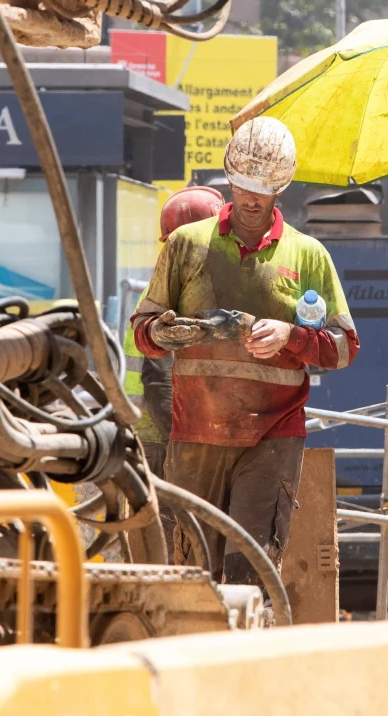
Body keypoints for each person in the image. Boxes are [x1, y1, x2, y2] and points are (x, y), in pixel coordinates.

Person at [131, 116, 359, 594]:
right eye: (243, 187)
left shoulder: (308, 255)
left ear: (282, 187)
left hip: (273, 437)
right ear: (229, 179)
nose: (253, 199)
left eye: (265, 190)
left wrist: (291, 336)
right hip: (196, 436)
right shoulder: (187, 245)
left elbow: (344, 348)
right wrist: (165, 333)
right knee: (194, 582)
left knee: (250, 579)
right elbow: (142, 332)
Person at [122, 186, 226, 564]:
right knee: (173, 557)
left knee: (172, 554)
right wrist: (193, 452)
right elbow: (161, 388)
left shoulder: (170, 293)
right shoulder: (174, 300)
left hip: (155, 441)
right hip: (164, 446)